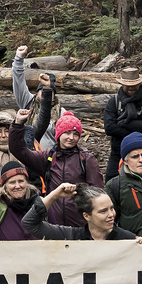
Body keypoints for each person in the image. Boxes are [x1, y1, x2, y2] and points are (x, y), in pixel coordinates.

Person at [12, 83, 103, 228]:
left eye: (75, 134)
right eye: (67, 133)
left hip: (81, 225)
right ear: (58, 134)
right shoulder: (47, 157)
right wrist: (17, 125)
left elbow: (98, 192)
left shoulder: (86, 158)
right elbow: (19, 151)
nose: (71, 137)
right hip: (53, 225)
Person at [99, 68, 142, 179]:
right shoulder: (114, 102)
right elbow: (109, 128)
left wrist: (123, 123)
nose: (131, 87)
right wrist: (138, 128)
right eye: (127, 84)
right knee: (111, 179)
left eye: (134, 84)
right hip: (118, 151)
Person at [8, 45, 61, 151]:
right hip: (27, 155)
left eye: (50, 92)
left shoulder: (61, 112)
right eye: (43, 91)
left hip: (50, 159)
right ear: (37, 92)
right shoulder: (28, 102)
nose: (45, 95)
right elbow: (19, 81)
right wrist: (18, 59)